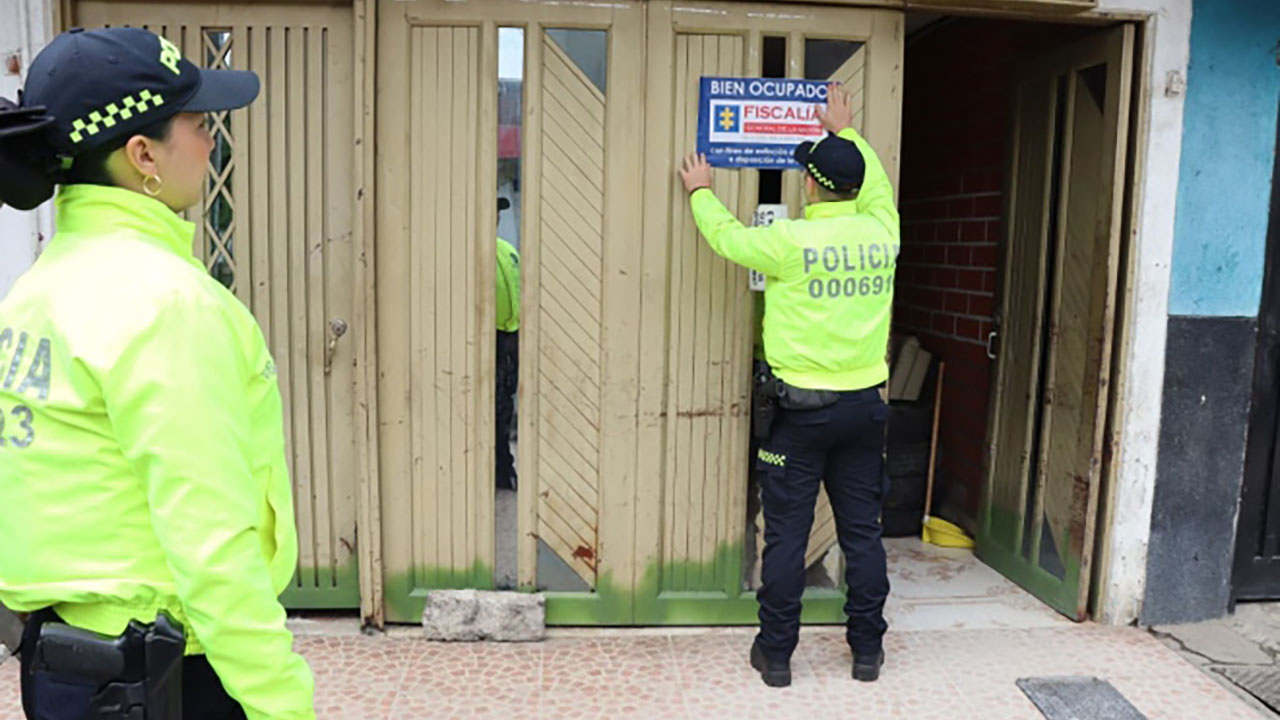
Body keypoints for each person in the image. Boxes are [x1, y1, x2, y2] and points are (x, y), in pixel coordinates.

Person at [0, 27, 315, 719]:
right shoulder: (164, 303)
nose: (212, 142)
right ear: (143, 154)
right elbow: (210, 538)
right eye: (198, 125)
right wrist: (283, 704)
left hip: (63, 674)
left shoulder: (35, 290)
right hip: (165, 680)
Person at [678, 82, 899, 688]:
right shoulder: (883, 231)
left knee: (785, 538)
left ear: (809, 185)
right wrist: (847, 131)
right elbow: (877, 186)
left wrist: (700, 192)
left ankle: (776, 656)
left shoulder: (791, 242)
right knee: (863, 535)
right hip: (864, 410)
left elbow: (727, 238)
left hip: (800, 416)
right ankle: (867, 653)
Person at [495, 198, 521, 491]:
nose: (496, 216)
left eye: (498, 210)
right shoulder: (467, 251)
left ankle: (503, 467)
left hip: (509, 338)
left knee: (503, 406)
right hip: (484, 337)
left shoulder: (507, 250)